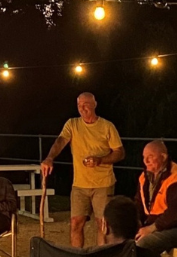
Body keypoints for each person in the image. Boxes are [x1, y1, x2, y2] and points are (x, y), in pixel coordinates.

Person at [40, 93, 125, 247]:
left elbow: (119, 153)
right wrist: (50, 157)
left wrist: (100, 160)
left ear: (95, 104)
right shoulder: (72, 124)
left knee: (103, 224)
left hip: (103, 183)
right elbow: (60, 141)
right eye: (79, 105)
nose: (82, 108)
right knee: (75, 223)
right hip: (79, 184)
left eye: (86, 104)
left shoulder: (107, 126)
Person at [133, 141, 177, 254]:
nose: (146, 161)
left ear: (163, 157)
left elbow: (175, 214)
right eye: (144, 157)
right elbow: (138, 204)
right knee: (123, 241)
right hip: (157, 226)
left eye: (150, 157)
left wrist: (150, 229)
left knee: (142, 244)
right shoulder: (144, 177)